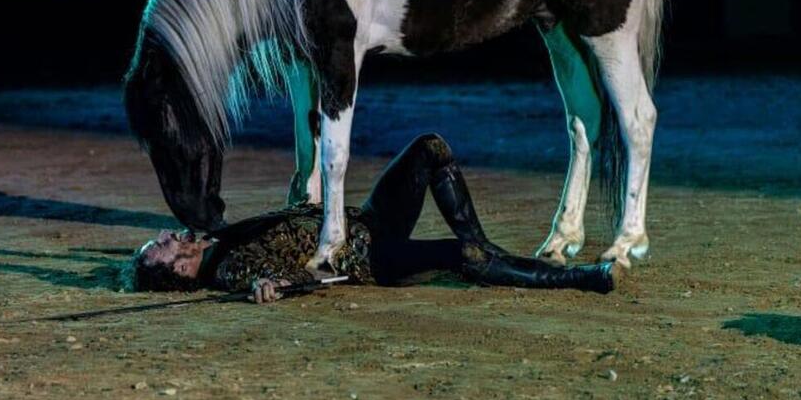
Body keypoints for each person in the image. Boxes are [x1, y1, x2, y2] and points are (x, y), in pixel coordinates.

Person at [130, 134, 618, 302]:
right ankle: (575, 278)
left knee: (430, 149)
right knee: (460, 254)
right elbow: (274, 280)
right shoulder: (228, 271)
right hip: (368, 259)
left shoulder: (217, 241)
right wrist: (270, 286)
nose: (168, 235)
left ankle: (486, 255)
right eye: (164, 246)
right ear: (177, 270)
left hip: (365, 221)